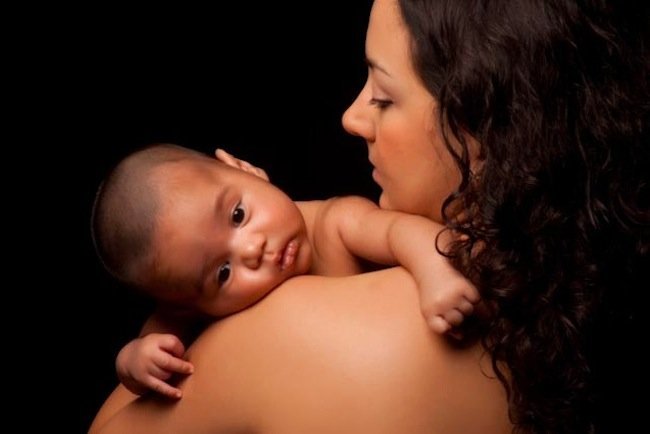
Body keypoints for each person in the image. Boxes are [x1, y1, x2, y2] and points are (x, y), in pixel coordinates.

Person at [90, 0, 648, 433]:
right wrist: (143, 348)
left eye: (382, 95)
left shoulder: (290, 333)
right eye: (220, 272)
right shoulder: (579, 292)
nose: (351, 118)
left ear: (491, 126)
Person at [92, 143, 477, 399]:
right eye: (223, 272)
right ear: (191, 303)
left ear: (244, 168)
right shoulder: (191, 309)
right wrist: (134, 360)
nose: (252, 249)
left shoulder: (335, 224)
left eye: (238, 215)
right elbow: (160, 336)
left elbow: (397, 231)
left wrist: (434, 270)